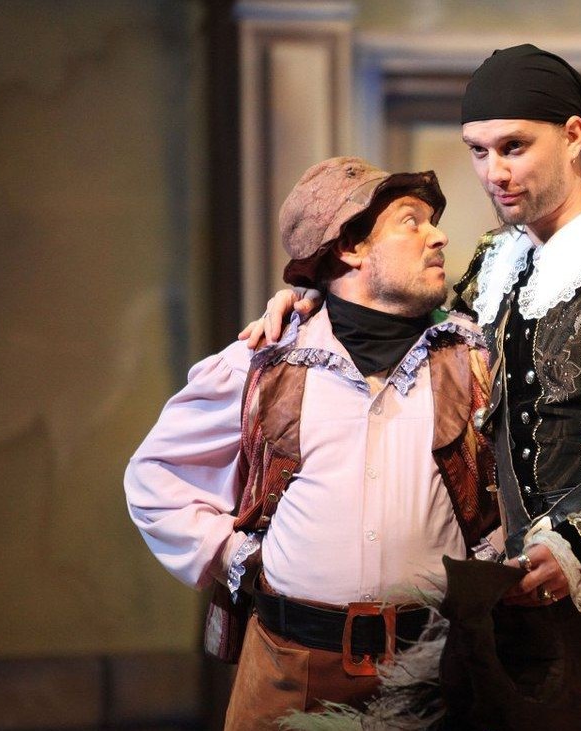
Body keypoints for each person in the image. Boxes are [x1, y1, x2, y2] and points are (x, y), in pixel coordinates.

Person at [247, 43, 581, 731]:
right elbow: (416, 342)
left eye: (513, 147)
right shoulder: (500, 263)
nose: (493, 173)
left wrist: (575, 546)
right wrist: (315, 303)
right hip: (516, 595)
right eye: (478, 151)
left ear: (573, 136)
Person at [125, 157, 499, 730]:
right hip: (292, 669)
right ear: (350, 246)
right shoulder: (265, 363)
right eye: (411, 221)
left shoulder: (471, 358)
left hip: (436, 670)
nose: (438, 235)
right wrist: (235, 555)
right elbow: (155, 477)